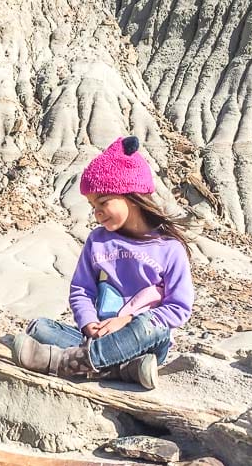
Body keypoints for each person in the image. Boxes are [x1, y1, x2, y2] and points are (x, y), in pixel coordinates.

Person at [11, 136, 194, 389]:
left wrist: (126, 321)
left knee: (152, 326)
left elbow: (178, 308)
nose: (96, 212)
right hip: (99, 337)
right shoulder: (98, 242)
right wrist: (88, 324)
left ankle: (67, 363)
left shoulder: (169, 249)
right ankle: (122, 370)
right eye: (92, 205)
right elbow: (81, 290)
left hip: (144, 338)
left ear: (131, 196)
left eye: (103, 202)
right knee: (39, 327)